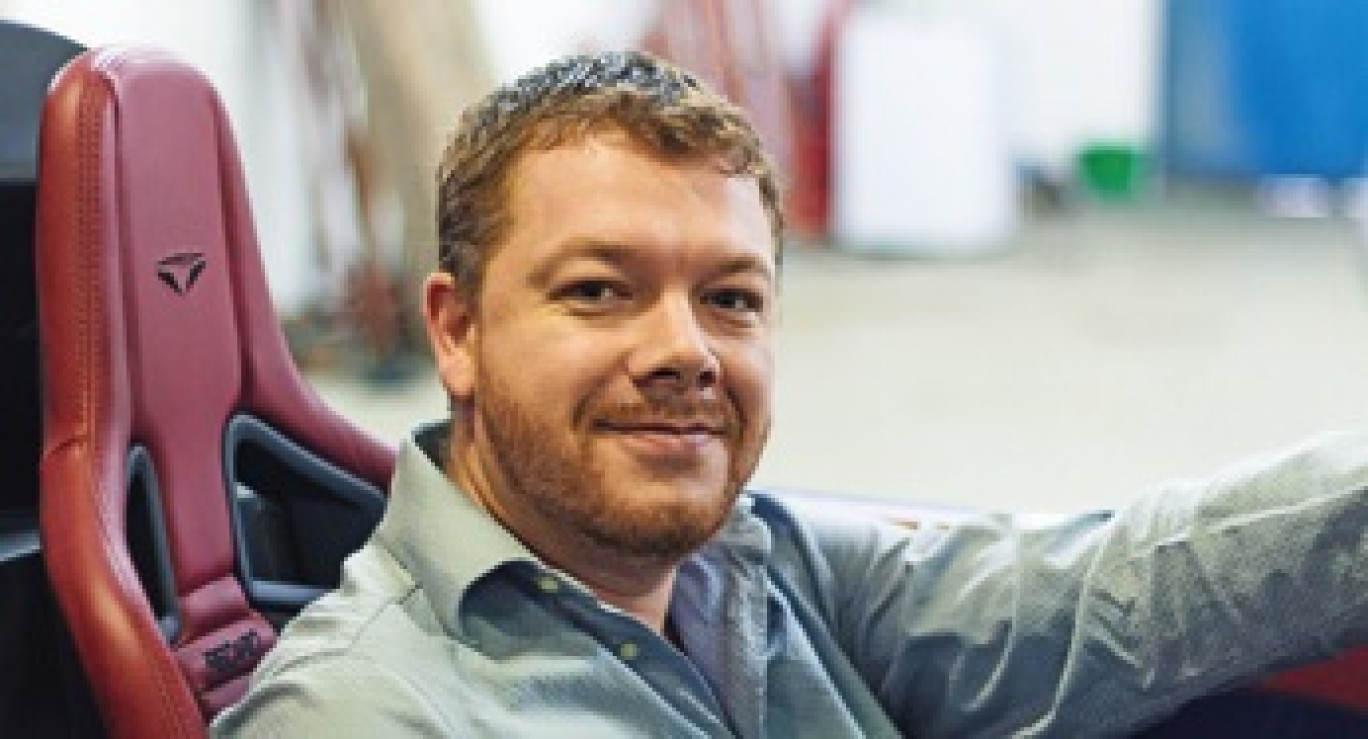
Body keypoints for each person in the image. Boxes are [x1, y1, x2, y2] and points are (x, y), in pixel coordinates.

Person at [212, 51, 1368, 737]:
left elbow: (1102, 594)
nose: (687, 351)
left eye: (731, 299)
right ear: (457, 331)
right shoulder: (366, 710)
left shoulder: (755, 567)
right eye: (603, 290)